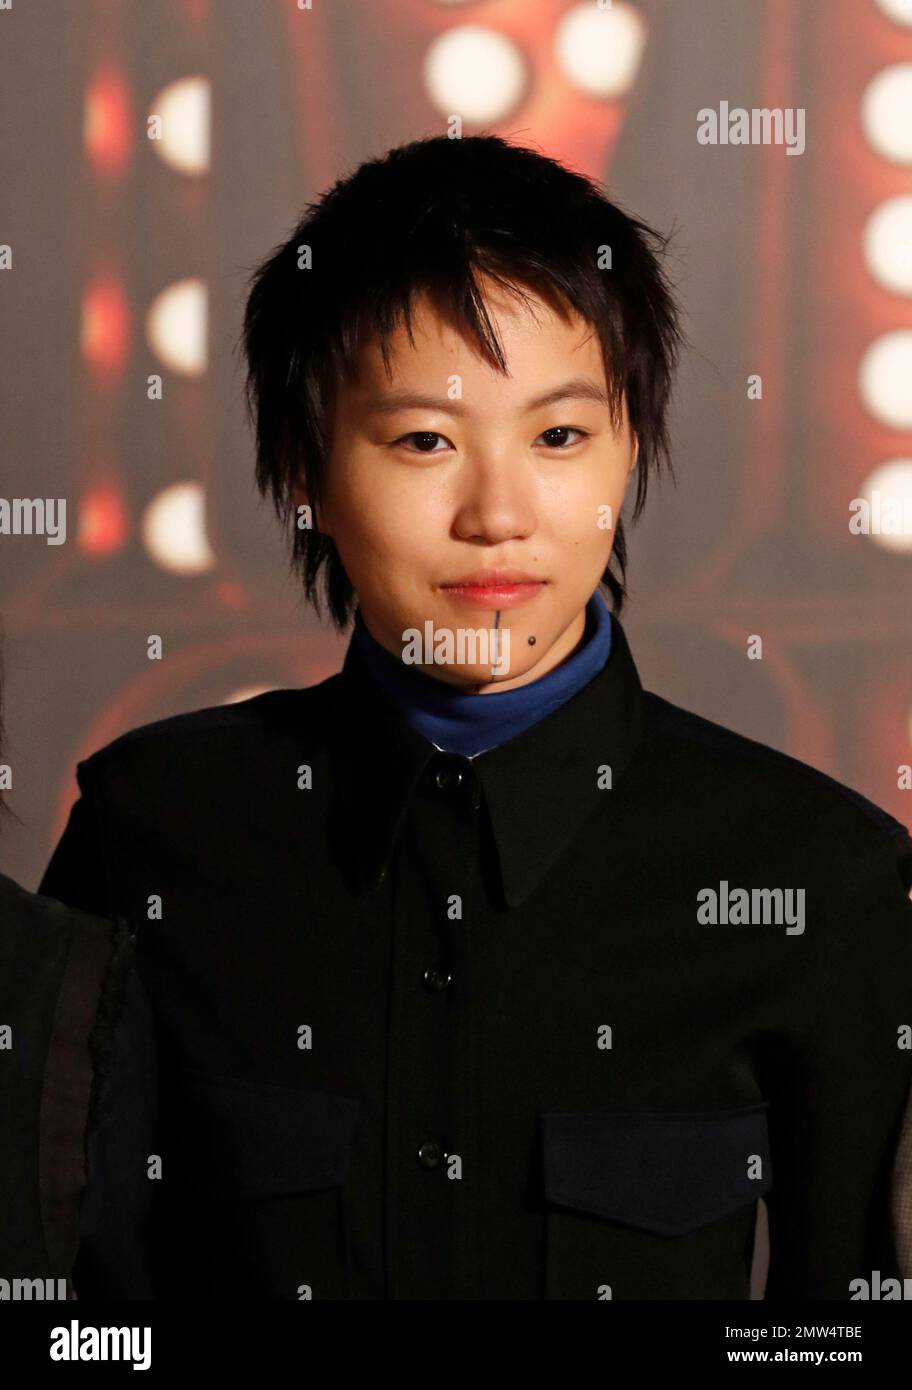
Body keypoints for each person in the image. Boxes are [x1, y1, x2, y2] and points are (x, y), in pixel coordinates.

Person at [39, 133, 912, 1300]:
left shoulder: (820, 876)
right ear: (306, 469)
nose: (499, 514)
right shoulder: (150, 833)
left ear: (629, 450)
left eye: (559, 436)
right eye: (423, 441)